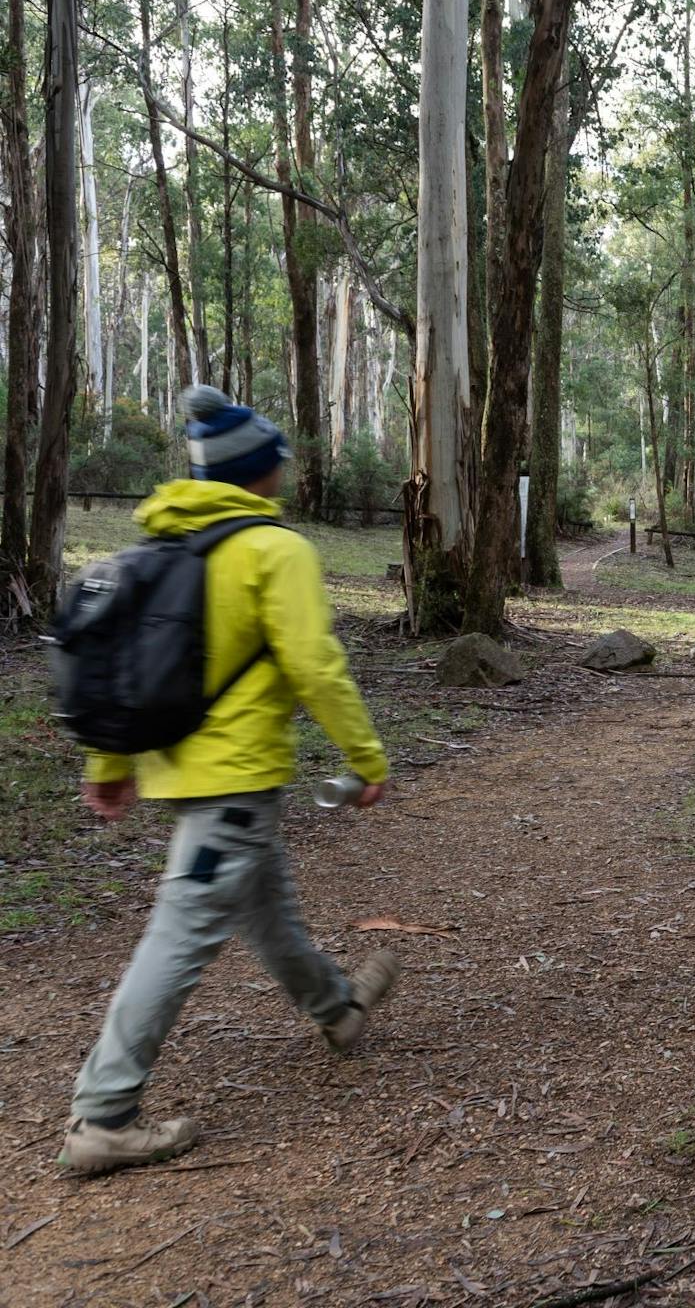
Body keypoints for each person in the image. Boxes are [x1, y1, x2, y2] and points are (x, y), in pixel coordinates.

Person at [58, 386, 400, 1177]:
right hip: (233, 778)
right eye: (277, 456)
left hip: (181, 770)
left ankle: (338, 1010)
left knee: (266, 906)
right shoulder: (275, 552)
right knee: (180, 935)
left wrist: (109, 767)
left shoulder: (160, 548)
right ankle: (104, 1113)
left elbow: (118, 666)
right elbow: (315, 665)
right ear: (261, 470)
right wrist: (367, 761)